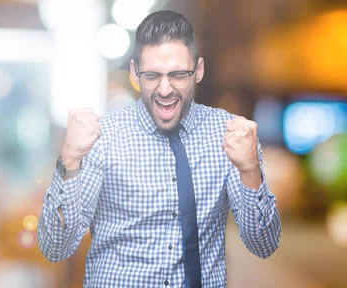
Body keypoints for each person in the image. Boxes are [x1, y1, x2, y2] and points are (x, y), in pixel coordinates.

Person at [37, 10, 281, 288]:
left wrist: (250, 170)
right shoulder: (101, 139)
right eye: (152, 75)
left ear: (198, 70)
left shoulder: (230, 135)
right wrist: (69, 160)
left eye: (178, 74)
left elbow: (264, 245)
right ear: (134, 72)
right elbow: (55, 248)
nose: (165, 89)